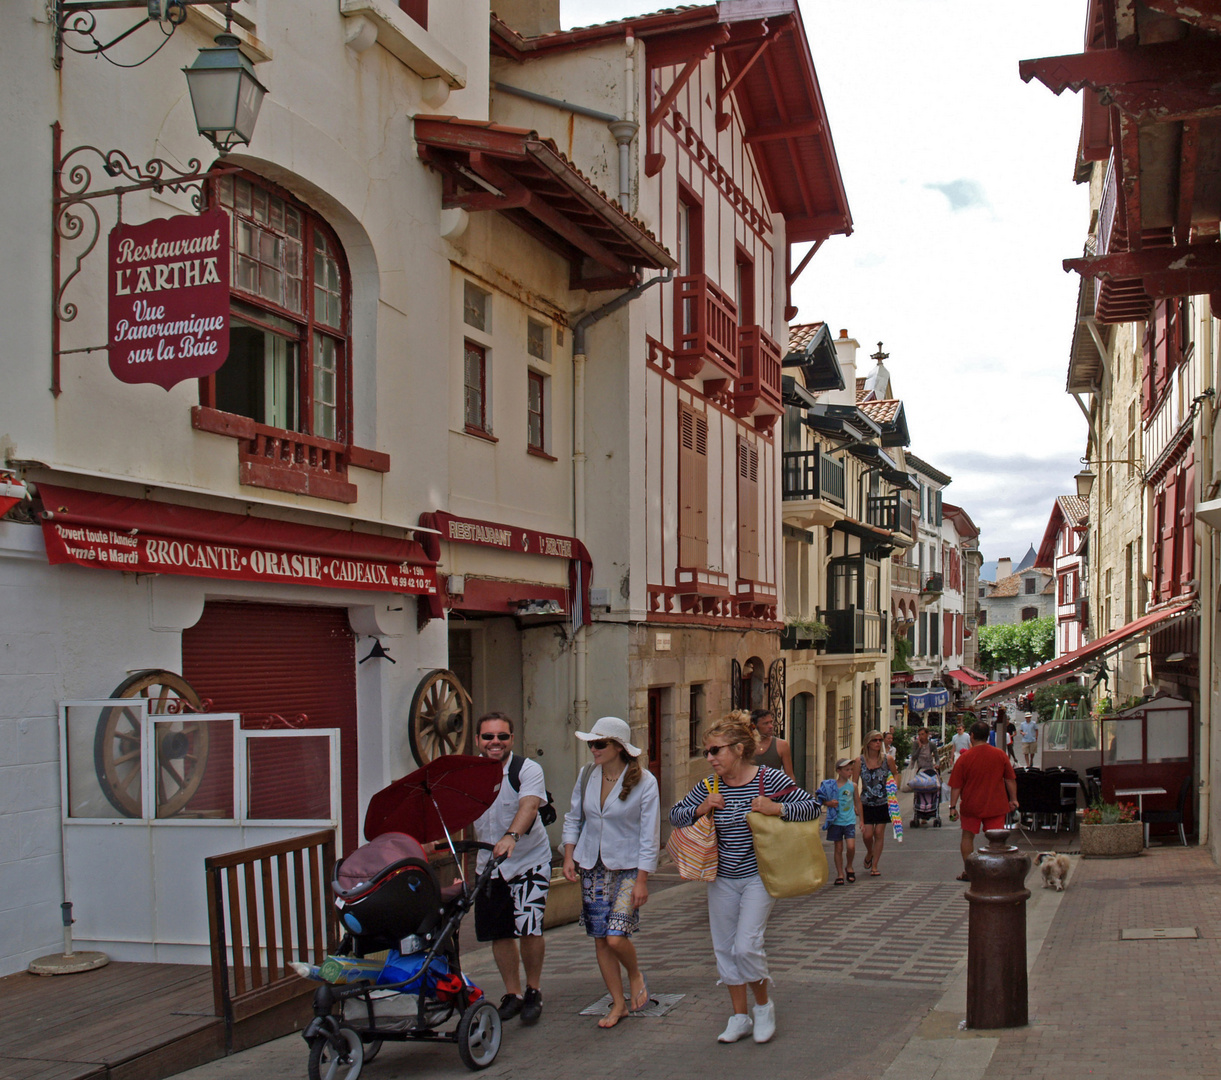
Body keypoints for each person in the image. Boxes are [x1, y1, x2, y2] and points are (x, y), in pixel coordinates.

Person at [670, 715, 819, 1044]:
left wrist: (775, 809)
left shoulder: (769, 779)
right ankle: (739, 1017)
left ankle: (763, 1008)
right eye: (707, 752)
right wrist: (701, 808)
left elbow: (811, 807)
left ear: (738, 749)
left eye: (714, 750)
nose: (709, 758)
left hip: (758, 876)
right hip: (720, 877)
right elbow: (675, 815)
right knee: (724, 949)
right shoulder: (709, 786)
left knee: (746, 946)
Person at [561, 716, 660, 1029]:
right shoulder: (588, 774)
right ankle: (618, 1004)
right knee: (601, 939)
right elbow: (573, 816)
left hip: (628, 867)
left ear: (619, 747)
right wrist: (568, 855)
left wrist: (643, 880)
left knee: (617, 938)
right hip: (592, 865)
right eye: (591, 743)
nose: (593, 749)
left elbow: (649, 834)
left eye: (599, 743)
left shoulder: (645, 782)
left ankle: (634, 974)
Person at [471, 711, 551, 1024]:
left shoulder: (527, 769)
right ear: (477, 740)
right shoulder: (470, 773)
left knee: (529, 927)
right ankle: (513, 993)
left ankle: (533, 990)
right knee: (500, 932)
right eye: (488, 737)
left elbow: (529, 805)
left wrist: (511, 836)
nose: (495, 742)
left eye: (502, 737)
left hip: (528, 860)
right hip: (489, 866)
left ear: (511, 740)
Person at [948, 720, 1019, 881]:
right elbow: (1010, 779)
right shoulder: (999, 754)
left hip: (971, 804)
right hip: (996, 804)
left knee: (967, 837)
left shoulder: (965, 758)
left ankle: (969, 871)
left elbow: (956, 786)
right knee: (996, 840)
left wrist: (952, 807)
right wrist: (1013, 799)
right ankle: (995, 871)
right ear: (987, 736)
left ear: (971, 736)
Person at [854, 729, 899, 876]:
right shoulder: (859, 761)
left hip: (883, 801)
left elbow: (895, 773)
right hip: (866, 801)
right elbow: (854, 783)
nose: (878, 743)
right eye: (875, 740)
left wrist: (894, 788)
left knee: (879, 832)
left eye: (880, 740)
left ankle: (875, 865)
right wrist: (855, 803)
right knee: (867, 835)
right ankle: (869, 852)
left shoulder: (887, 760)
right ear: (868, 743)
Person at [824, 757, 861, 885]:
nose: (849, 772)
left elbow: (858, 802)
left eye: (851, 770)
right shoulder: (831, 786)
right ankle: (840, 873)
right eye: (847, 770)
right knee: (838, 848)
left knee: (851, 846)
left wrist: (861, 820)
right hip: (836, 820)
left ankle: (849, 866)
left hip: (849, 820)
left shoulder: (853, 786)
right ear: (839, 771)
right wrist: (829, 803)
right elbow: (821, 798)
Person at [750, 708, 795, 779]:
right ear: (754, 726)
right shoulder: (746, 745)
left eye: (771, 722)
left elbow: (790, 775)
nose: (771, 726)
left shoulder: (782, 745)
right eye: (766, 723)